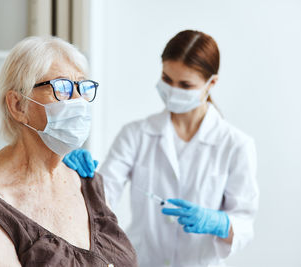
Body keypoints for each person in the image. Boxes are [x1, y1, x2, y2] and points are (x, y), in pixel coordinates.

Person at [63, 30, 259, 267]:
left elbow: (245, 223)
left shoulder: (236, 145)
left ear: (211, 83)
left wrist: (221, 223)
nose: (173, 90)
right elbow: (102, 199)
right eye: (167, 79)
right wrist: (75, 177)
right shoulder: (136, 135)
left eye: (185, 85)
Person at [0, 36, 137, 267]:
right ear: (18, 105)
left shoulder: (86, 181)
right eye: (62, 88)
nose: (78, 102)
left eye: (82, 87)